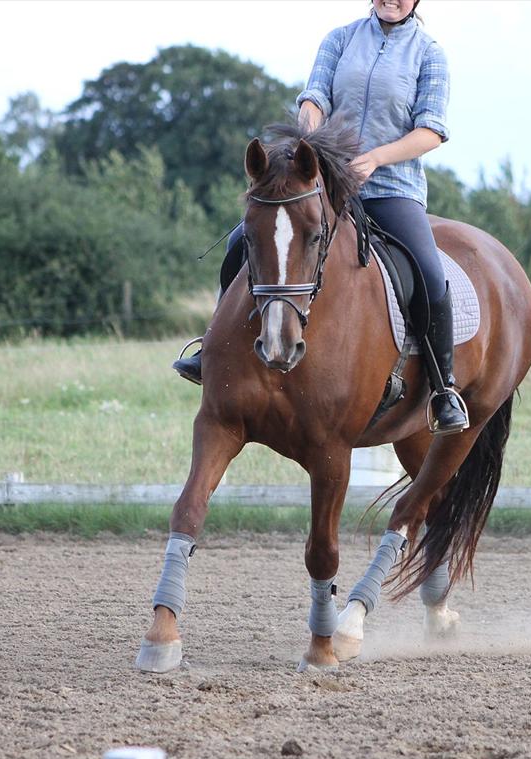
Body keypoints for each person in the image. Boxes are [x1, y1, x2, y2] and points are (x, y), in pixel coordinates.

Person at [173, 0, 468, 435]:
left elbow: (431, 131)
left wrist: (375, 159)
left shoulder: (429, 53)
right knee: (241, 241)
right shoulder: (340, 39)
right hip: (324, 183)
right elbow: (314, 98)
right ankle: (212, 350)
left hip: (392, 188)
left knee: (427, 271)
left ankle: (444, 387)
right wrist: (311, 138)